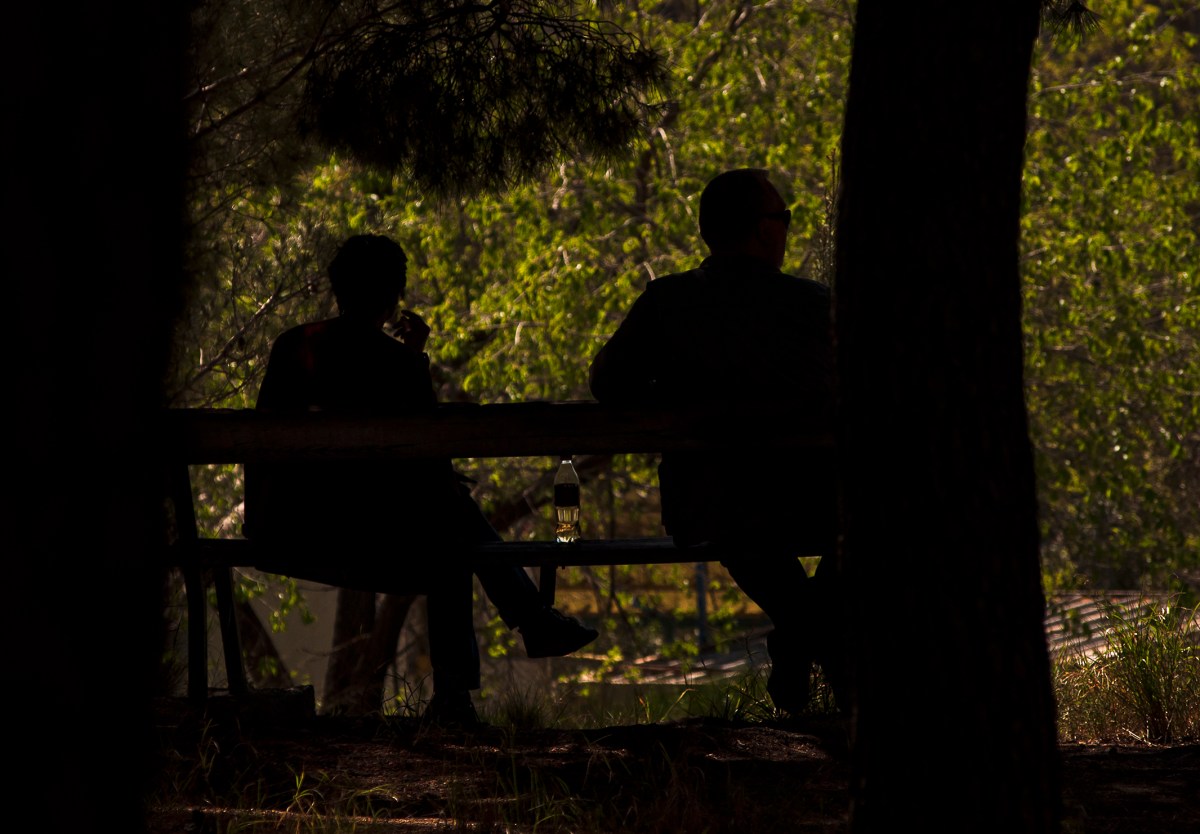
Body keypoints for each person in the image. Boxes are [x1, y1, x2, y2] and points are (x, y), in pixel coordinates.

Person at [244, 233, 598, 727]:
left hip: (284, 525)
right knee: (452, 531)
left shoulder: (294, 346)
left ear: (338, 288)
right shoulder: (393, 361)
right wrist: (414, 358)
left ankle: (518, 635)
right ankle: (488, 663)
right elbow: (426, 453)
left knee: (451, 531)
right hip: (350, 532)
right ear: (394, 297)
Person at [588, 168, 841, 714]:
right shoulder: (812, 305)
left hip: (710, 505)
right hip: (817, 502)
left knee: (764, 557)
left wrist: (669, 393)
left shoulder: (668, 304)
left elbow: (607, 382)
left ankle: (800, 644)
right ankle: (812, 654)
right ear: (763, 230)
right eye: (784, 217)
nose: (787, 228)